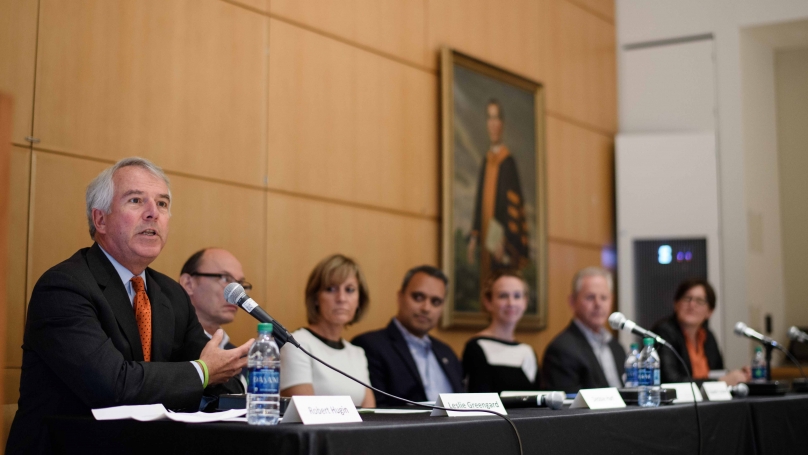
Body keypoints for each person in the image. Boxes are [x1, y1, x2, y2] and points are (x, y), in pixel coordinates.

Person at [6, 157, 251, 454]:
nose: (153, 214)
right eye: (136, 200)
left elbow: (217, 377)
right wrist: (203, 373)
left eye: (162, 204)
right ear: (100, 220)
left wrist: (229, 380)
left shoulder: (170, 294)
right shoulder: (64, 287)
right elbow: (113, 386)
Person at [353, 266, 464, 407]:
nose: (426, 308)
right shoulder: (370, 346)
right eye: (418, 297)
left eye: (435, 302)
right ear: (400, 297)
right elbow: (379, 413)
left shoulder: (446, 352)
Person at [279, 254, 375, 407]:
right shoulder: (297, 344)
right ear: (316, 298)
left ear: (359, 300)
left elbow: (370, 415)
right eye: (331, 289)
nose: (341, 298)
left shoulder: (357, 353)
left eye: (350, 290)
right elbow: (305, 411)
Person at [467, 99, 529, 289]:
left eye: (496, 118)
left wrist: (502, 239)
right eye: (489, 119)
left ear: (502, 124)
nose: (493, 124)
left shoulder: (507, 162)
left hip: (500, 242)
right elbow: (479, 202)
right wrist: (474, 236)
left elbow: (510, 208)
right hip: (485, 235)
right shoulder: (486, 161)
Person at [651, 278, 750, 385]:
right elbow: (670, 380)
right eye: (687, 298)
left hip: (707, 400)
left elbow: (717, 372)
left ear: (710, 311)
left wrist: (737, 376)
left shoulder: (708, 336)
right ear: (676, 304)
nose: (692, 305)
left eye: (700, 301)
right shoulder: (663, 332)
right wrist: (720, 382)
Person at [180, 247, 254, 390]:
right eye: (225, 279)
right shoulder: (169, 349)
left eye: (240, 284)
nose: (237, 294)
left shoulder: (236, 355)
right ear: (188, 284)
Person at [542, 267, 625, 394]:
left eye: (604, 298)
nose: (598, 304)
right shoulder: (561, 350)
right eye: (590, 297)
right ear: (572, 301)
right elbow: (568, 407)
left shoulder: (617, 347)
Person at [463, 270, 539, 393]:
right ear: (488, 302)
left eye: (517, 296)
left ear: (525, 302)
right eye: (503, 296)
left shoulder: (528, 351)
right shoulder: (477, 347)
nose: (511, 303)